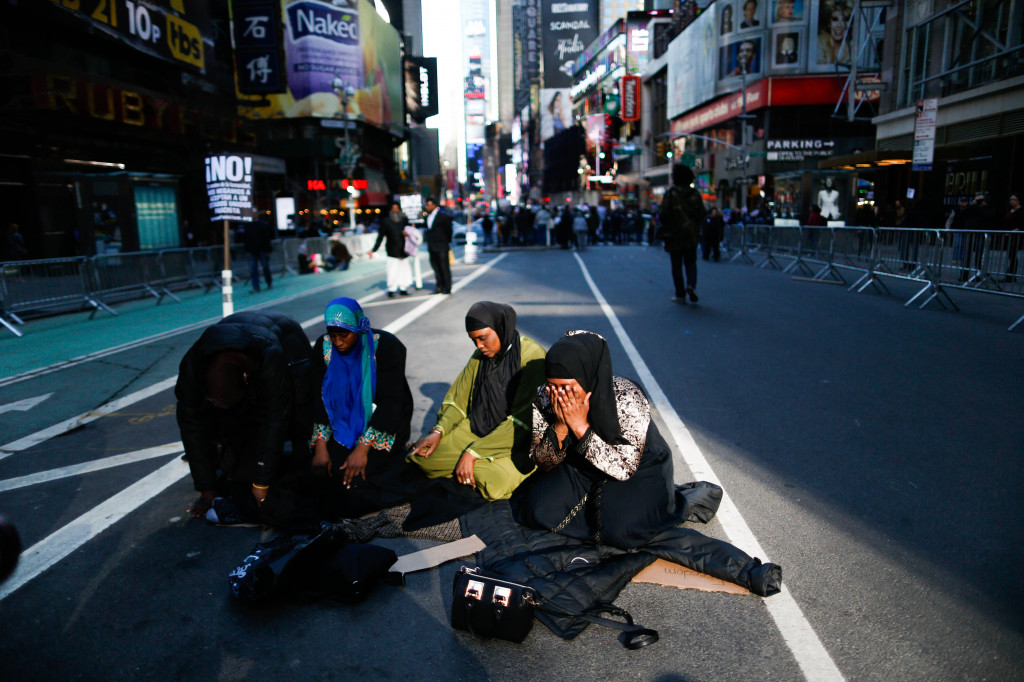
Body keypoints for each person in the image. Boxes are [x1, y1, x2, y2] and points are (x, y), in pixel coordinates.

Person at [513, 331, 678, 549]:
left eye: (567, 388)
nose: (559, 395)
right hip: (580, 466)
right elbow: (543, 462)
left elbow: (624, 469)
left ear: (587, 378)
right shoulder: (545, 395)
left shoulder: (627, 397)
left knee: (620, 532)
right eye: (553, 385)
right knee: (537, 510)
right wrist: (561, 425)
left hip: (636, 471)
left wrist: (581, 427)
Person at [175, 311, 314, 522]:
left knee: (298, 403)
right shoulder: (191, 369)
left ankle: (303, 455)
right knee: (237, 443)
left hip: (288, 340)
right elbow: (192, 429)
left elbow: (274, 418)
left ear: (246, 380)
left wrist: (261, 484)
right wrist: (206, 489)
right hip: (239, 337)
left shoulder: (268, 355)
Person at [408, 302, 546, 501]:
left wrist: (473, 452)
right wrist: (438, 431)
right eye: (474, 340)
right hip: (478, 428)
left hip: (515, 439)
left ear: (500, 328)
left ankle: (485, 465)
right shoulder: (481, 355)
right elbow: (459, 398)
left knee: (492, 483)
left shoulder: (532, 356)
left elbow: (524, 420)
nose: (479, 346)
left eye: (483, 338)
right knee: (421, 458)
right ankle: (476, 466)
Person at [308, 297, 413, 514]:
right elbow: (318, 398)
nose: (337, 342)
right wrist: (319, 445)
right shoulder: (323, 347)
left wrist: (363, 449)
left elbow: (392, 401)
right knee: (328, 468)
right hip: (340, 426)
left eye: (344, 335)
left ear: (358, 327)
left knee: (365, 472)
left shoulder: (385, 346)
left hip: (381, 424)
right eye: (333, 335)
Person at [659, 164, 707, 303]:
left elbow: (663, 214)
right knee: (691, 262)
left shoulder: (671, 194)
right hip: (691, 234)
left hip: (674, 235)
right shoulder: (695, 194)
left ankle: (680, 294)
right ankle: (691, 285)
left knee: (676, 265)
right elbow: (702, 213)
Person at [372, 202, 414, 297]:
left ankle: (404, 288)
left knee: (404, 270)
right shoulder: (386, 221)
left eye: (397, 208)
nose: (395, 210)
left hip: (404, 250)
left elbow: (411, 232)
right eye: (393, 208)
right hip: (392, 250)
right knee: (392, 270)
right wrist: (374, 249)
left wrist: (408, 234)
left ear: (399, 209)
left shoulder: (404, 220)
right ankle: (392, 289)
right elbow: (380, 236)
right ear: (390, 210)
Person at [424, 197, 453, 294]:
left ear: (434, 205)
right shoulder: (427, 216)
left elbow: (449, 230)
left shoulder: (443, 216)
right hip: (431, 246)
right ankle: (439, 286)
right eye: (426, 205)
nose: (426, 207)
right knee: (435, 267)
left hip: (442, 245)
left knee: (444, 267)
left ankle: (447, 287)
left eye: (428, 205)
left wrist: (446, 242)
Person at [243, 217, 273, 293]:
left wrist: (268, 250)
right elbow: (246, 239)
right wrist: (247, 250)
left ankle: (269, 282)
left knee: (265, 267)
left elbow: (267, 237)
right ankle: (256, 286)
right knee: (253, 269)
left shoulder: (262, 224)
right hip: (252, 251)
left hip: (262, 249)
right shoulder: (247, 225)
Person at [818, 1, 852, 66]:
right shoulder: (819, 42)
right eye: (835, 19)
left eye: (844, 20)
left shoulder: (852, 49)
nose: (839, 25)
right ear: (829, 23)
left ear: (850, 24)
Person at [1001, 193, 1023, 282]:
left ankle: (1010, 275)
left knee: (1013, 256)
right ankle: (1010, 275)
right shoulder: (1011, 211)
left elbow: (1021, 224)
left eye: (1013, 199)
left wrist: (1013, 231)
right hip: (1009, 236)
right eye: (1010, 200)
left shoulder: (1021, 211)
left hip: (1016, 236)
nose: (1011, 201)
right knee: (1011, 255)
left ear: (1018, 201)